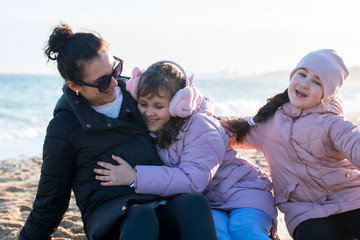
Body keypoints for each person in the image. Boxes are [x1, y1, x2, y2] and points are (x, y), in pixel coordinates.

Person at [19, 23, 217, 240]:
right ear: (74, 86)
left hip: (158, 200)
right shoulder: (64, 128)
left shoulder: (137, 96)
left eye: (115, 70)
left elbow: (190, 113)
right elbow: (51, 200)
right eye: (102, 82)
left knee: (195, 203)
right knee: (141, 215)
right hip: (112, 216)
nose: (115, 83)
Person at [93, 61, 278, 240]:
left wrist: (136, 177)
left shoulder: (201, 127)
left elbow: (193, 180)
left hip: (246, 194)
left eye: (158, 106)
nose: (149, 112)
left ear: (179, 104)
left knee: (245, 232)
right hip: (214, 203)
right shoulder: (157, 129)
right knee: (218, 235)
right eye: (143, 104)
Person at [221, 49, 360, 240]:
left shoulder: (332, 122)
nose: (305, 84)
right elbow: (232, 128)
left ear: (326, 94)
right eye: (302, 74)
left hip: (352, 198)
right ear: (293, 76)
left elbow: (355, 142)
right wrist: (199, 118)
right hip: (305, 212)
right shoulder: (270, 124)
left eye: (316, 82)